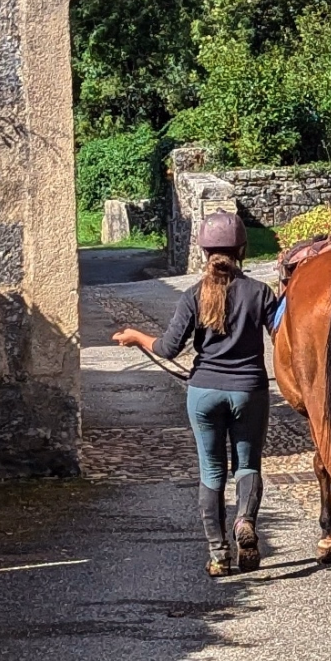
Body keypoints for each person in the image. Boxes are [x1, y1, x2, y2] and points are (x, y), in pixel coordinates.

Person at [112, 213, 278, 577]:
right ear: (242, 249)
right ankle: (244, 522)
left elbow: (169, 348)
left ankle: (219, 555)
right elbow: (284, 334)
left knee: (211, 470)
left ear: (203, 251)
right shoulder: (260, 292)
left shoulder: (193, 295)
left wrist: (137, 337)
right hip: (249, 390)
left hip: (204, 392)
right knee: (247, 466)